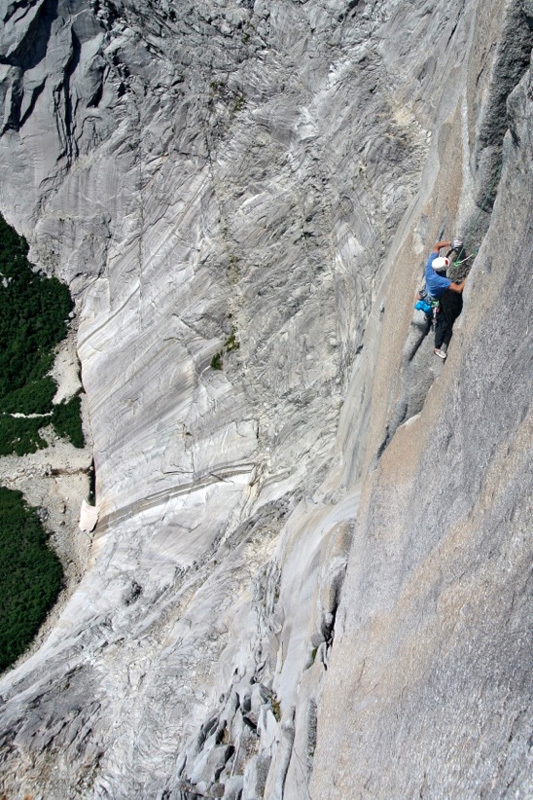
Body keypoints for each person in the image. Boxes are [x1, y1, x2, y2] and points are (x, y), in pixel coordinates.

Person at [425, 239, 466, 359]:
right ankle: (437, 348)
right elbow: (458, 289)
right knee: (442, 324)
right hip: (434, 301)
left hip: (429, 292)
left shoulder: (431, 264)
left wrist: (451, 244)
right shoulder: (439, 280)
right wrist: (468, 278)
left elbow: (437, 246)